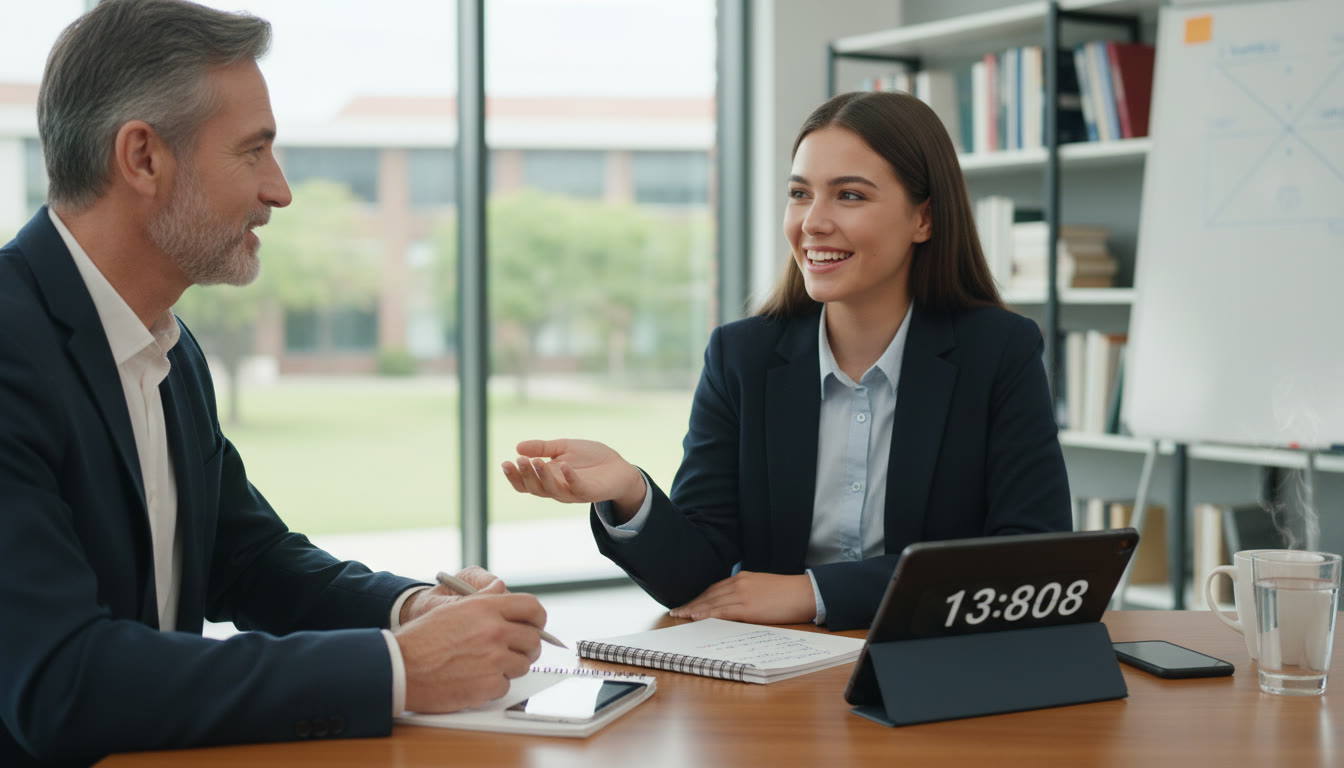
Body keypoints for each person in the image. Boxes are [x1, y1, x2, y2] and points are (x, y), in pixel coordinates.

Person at [0, 1, 546, 764]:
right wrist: (401, 669)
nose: (279, 190)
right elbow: (61, 681)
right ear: (143, 158)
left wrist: (411, 610)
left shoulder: (169, 348)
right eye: (253, 152)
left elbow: (248, 561)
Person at [502, 90, 1072, 633]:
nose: (812, 222)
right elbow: (697, 577)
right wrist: (629, 492)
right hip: (774, 683)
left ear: (923, 218)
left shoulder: (999, 351)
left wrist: (813, 591)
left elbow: (1030, 561)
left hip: (935, 670)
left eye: (850, 195)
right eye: (800, 193)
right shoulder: (741, 356)